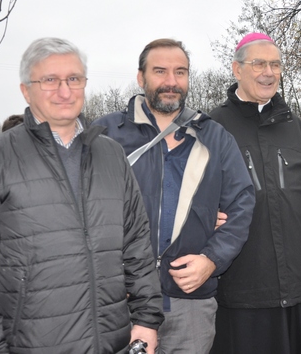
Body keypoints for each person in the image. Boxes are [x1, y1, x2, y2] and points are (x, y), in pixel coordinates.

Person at [0, 37, 162, 353]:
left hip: (114, 342)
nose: (64, 91)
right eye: (50, 80)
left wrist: (146, 321)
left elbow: (137, 246)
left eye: (74, 79)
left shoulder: (112, 155)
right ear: (26, 89)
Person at [94, 38, 255, 354]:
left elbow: (242, 204)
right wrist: (109, 273)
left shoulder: (215, 137)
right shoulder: (106, 134)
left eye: (180, 72)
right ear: (141, 78)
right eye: (160, 71)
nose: (171, 82)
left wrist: (211, 260)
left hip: (189, 303)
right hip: (119, 303)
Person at [208, 32, 301, 354]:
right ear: (236, 69)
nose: (268, 72)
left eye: (275, 64)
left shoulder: (296, 127)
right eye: (258, 64)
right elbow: (189, 199)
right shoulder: (212, 128)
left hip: (298, 287)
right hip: (241, 287)